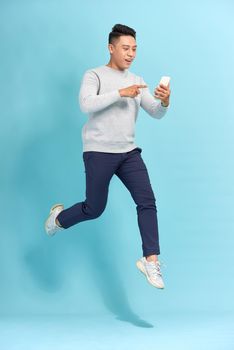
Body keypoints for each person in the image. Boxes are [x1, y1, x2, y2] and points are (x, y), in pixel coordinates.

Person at [45, 24, 171, 289]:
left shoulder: (137, 79)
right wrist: (119, 94)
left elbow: (155, 112)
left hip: (128, 153)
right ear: (111, 48)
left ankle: (150, 260)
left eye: (134, 49)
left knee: (147, 201)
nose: (131, 54)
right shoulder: (94, 75)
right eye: (125, 48)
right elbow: (85, 103)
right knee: (94, 208)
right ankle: (58, 219)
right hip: (99, 152)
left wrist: (165, 102)